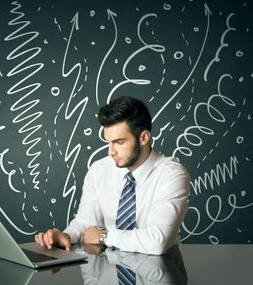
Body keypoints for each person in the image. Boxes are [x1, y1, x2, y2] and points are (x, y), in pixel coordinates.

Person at [35, 96, 190, 255]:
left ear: (144, 137)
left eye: (120, 142)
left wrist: (105, 236)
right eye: (108, 142)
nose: (111, 152)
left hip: (160, 272)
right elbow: (85, 222)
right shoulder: (99, 170)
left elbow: (157, 241)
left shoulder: (172, 174)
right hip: (108, 270)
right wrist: (66, 235)